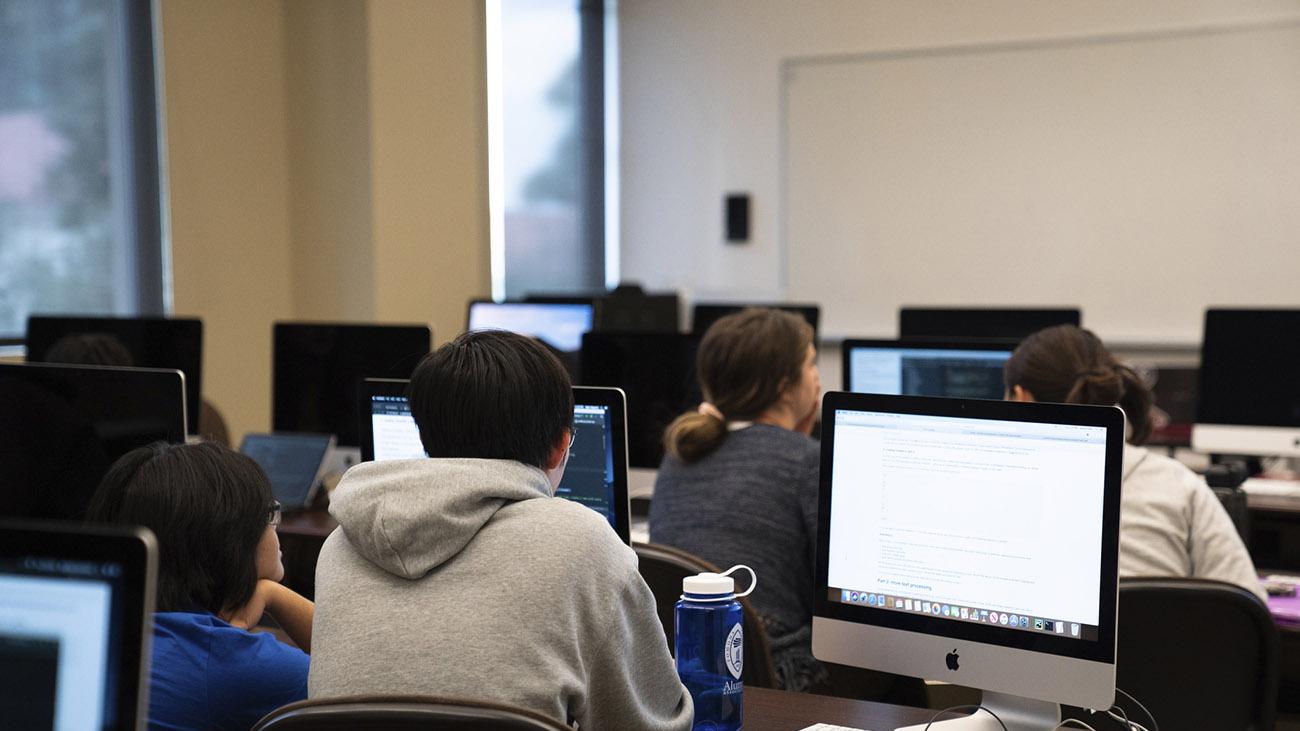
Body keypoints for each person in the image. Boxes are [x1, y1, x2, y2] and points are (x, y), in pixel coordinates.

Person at [308, 330, 692, 730]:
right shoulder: (584, 541)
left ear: (424, 438)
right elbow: (651, 724)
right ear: (562, 445)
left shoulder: (341, 543)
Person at [650, 308, 921, 703]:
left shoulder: (680, 454)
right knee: (897, 653)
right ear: (783, 386)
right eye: (811, 363)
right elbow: (846, 594)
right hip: (777, 676)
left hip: (690, 671)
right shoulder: (806, 461)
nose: (818, 377)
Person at [1004, 324, 1266, 601]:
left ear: (1020, 396)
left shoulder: (1000, 484)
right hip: (1168, 643)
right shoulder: (1178, 484)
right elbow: (1248, 603)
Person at [86, 442, 313, 731]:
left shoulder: (111, 626)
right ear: (229, 541)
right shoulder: (223, 660)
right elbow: (360, 679)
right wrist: (277, 596)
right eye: (270, 513)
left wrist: (271, 593)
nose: (276, 526)